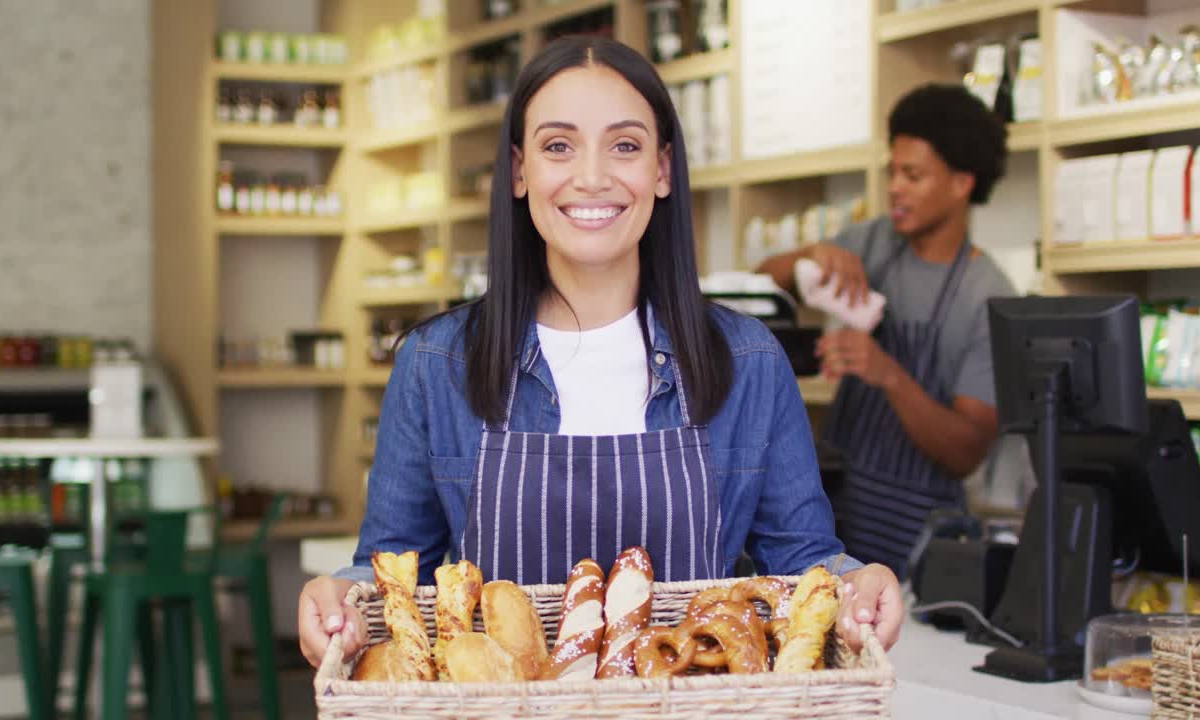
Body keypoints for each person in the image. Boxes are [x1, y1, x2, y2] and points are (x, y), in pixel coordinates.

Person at [298, 36, 903, 669]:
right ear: (519, 170)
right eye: (558, 146)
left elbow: (805, 568)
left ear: (662, 170)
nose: (592, 176)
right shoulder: (436, 364)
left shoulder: (749, 360)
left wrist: (857, 583)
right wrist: (341, 596)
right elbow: (391, 577)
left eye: (625, 146)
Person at [757, 84, 1016, 581]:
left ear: (963, 182)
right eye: (893, 171)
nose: (895, 186)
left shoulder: (987, 296)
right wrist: (808, 256)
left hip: (921, 535)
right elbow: (758, 281)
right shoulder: (873, 243)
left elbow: (965, 451)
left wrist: (886, 373)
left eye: (912, 175)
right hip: (841, 504)